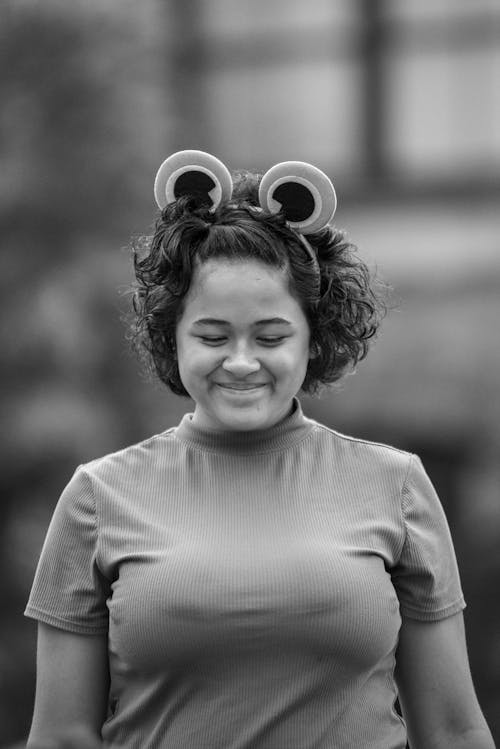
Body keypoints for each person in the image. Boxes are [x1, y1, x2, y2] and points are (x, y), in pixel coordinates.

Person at [25, 151, 495, 749]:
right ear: (173, 335)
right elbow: (63, 737)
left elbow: (453, 731)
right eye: (212, 335)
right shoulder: (97, 497)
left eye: (271, 336)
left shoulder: (395, 485)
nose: (242, 362)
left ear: (312, 336)